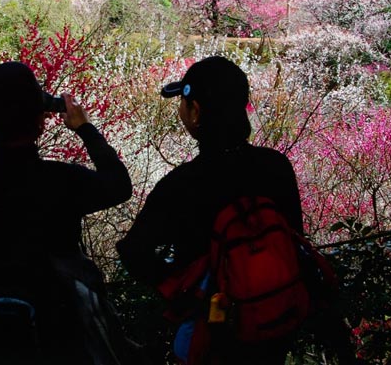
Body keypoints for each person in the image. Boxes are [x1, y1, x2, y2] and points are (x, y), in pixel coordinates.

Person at [0, 61, 136, 365]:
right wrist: (85, 129)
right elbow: (119, 185)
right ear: (42, 120)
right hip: (59, 309)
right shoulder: (62, 180)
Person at [116, 56, 304, 365]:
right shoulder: (276, 167)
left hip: (212, 334)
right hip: (275, 324)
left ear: (196, 112)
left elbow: (133, 253)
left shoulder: (181, 186)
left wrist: (179, 284)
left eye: (183, 104)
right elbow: (295, 236)